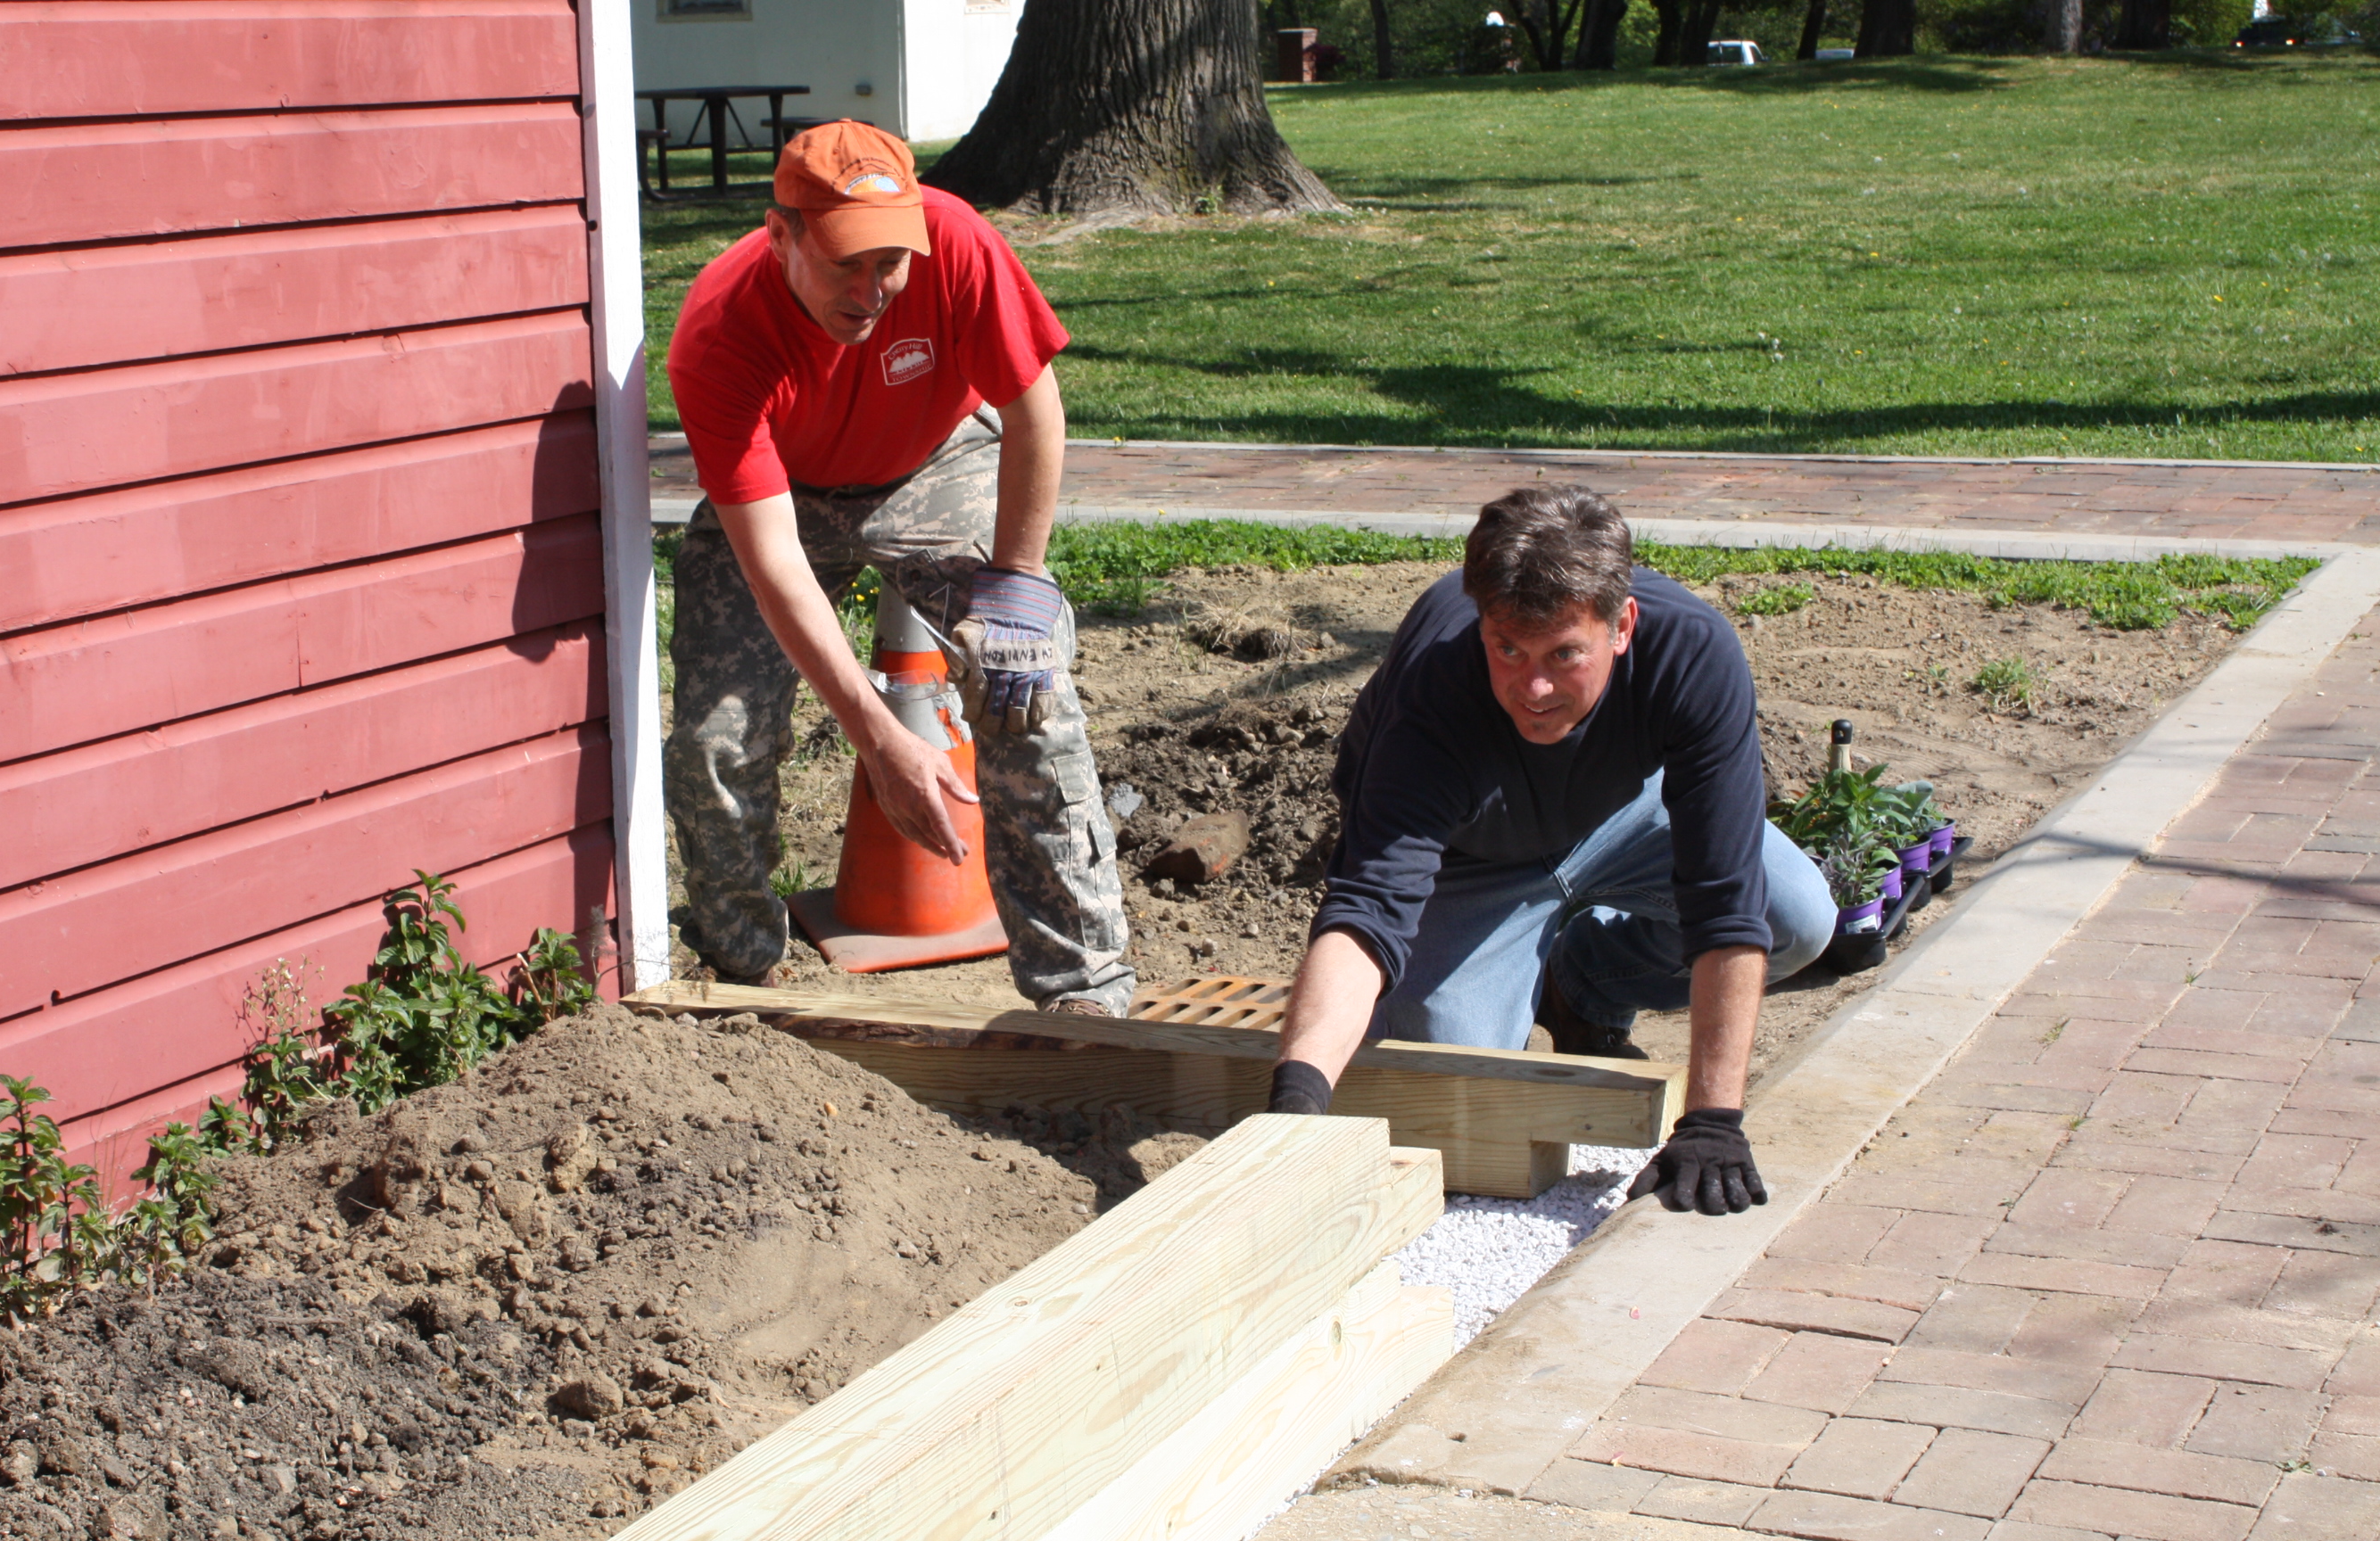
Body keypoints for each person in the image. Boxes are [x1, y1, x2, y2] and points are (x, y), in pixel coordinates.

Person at [661, 121, 1133, 1014]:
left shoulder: (954, 239)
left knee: (1022, 682)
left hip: (930, 464)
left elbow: (1032, 409)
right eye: (845, 262)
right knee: (715, 741)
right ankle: (747, 974)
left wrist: (1017, 595)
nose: (872, 289)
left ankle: (1085, 995)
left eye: (889, 262)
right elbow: (772, 558)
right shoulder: (721, 333)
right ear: (781, 236)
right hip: (781, 498)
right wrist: (878, 738)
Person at [1260, 485, 1834, 1214]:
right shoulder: (1432, 690)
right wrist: (1294, 1105)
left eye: (1565, 655)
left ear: (1621, 626)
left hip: (1621, 816)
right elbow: (1366, 914)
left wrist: (1713, 1120)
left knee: (1798, 917)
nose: (1532, 687)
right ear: (1480, 622)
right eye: (1507, 648)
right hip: (1471, 862)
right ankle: (1525, 957)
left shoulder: (1692, 653)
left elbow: (1725, 900)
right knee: (1453, 1077)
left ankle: (1584, 982)